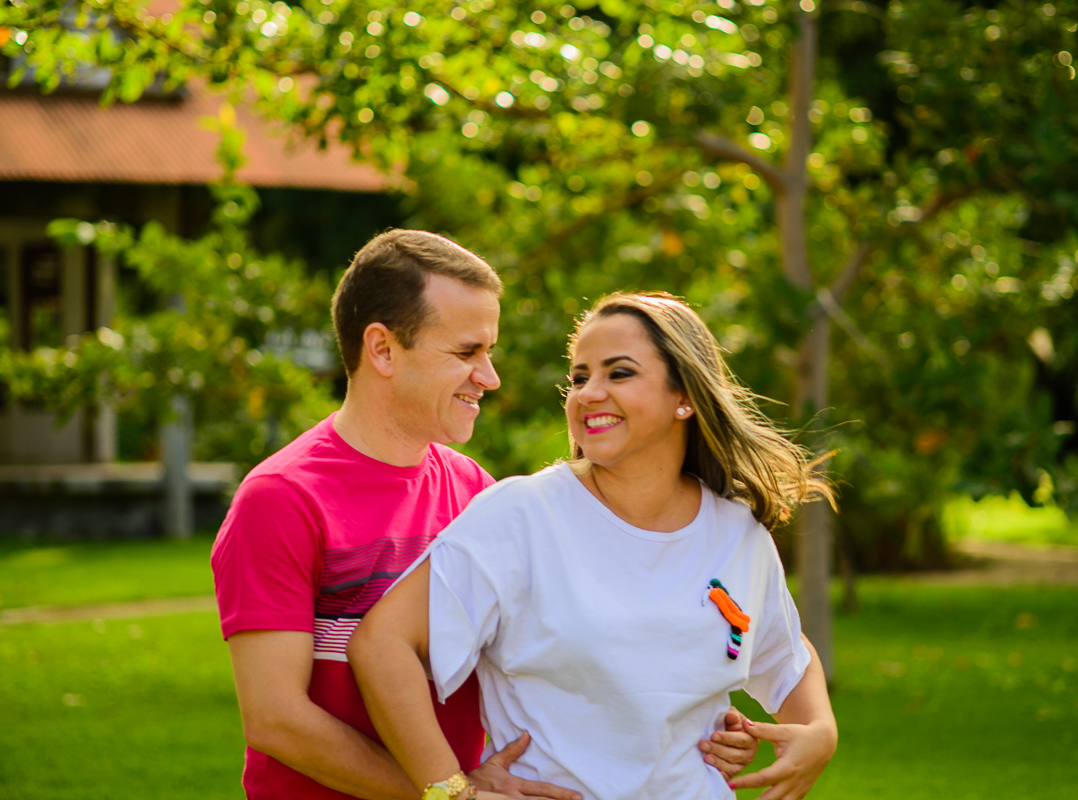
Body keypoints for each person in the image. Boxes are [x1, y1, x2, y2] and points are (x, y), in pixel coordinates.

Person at [211, 233, 756, 800]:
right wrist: (446, 791)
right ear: (383, 350)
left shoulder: (476, 491)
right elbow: (276, 719)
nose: (489, 376)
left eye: (488, 352)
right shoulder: (283, 498)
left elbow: (578, 649)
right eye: (466, 352)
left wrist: (700, 718)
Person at [348, 292, 839, 800]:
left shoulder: (737, 532)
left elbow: (784, 656)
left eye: (618, 373)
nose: (588, 394)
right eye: (580, 377)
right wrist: (450, 792)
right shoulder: (520, 516)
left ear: (685, 396)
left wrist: (820, 732)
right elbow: (382, 646)